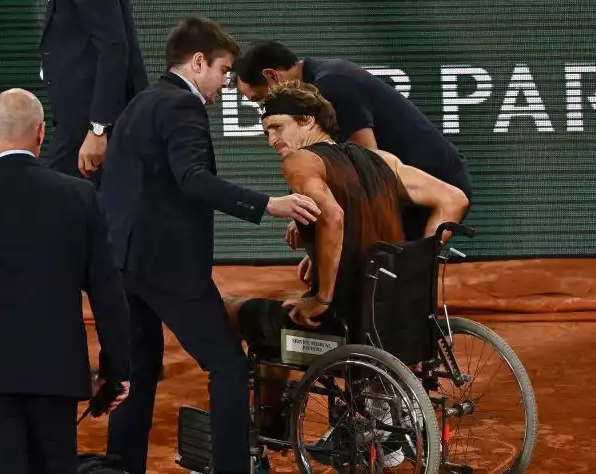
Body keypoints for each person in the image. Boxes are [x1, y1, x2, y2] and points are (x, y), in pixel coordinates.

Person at [99, 17, 322, 474]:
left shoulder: (141, 103)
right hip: (168, 268)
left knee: (136, 373)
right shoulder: (182, 107)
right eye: (222, 70)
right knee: (227, 365)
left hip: (121, 262)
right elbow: (194, 180)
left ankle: (121, 469)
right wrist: (269, 205)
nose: (224, 83)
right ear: (198, 61)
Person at [223, 81, 469, 446]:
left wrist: (322, 296)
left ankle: (268, 424)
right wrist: (411, 264)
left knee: (230, 309)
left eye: (277, 128)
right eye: (266, 131)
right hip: (396, 318)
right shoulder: (380, 160)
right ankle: (370, 405)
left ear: (307, 121)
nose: (271, 140)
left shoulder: (300, 161)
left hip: (340, 326)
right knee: (282, 315)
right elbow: (453, 199)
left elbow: (334, 217)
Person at [0, 88, 131, 474]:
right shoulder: (79, 196)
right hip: (56, 373)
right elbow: (107, 291)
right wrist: (117, 372)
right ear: (41, 132)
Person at [232, 41, 473, 247]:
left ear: (272, 76)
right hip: (401, 185)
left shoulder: (333, 84)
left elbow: (370, 167)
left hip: (435, 187)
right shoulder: (317, 82)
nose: (265, 108)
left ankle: (416, 275)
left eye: (260, 99)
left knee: (394, 280)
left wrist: (332, 240)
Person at [39, 0, 148, 183]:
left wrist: (98, 128)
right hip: (77, 121)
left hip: (90, 125)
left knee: (56, 199)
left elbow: (113, 47)